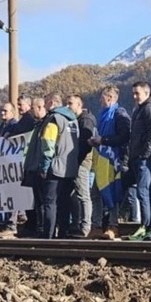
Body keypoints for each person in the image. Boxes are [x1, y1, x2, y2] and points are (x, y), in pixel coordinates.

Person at [23, 93, 80, 239]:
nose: (45, 107)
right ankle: (63, 234)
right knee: (64, 203)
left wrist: (44, 167)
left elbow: (48, 144)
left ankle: (48, 235)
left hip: (54, 169)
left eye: (46, 103)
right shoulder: (73, 120)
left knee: (50, 203)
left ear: (52, 103)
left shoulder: (53, 119)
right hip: (70, 168)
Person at [89, 86, 130, 240]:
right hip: (101, 160)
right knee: (96, 193)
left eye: (102, 97)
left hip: (114, 160)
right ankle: (97, 226)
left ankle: (113, 225)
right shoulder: (102, 115)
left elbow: (124, 137)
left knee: (112, 193)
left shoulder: (119, 114)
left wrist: (104, 140)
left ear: (110, 98)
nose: (100, 100)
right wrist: (96, 142)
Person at [126, 82, 151, 241]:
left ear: (146, 93)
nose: (135, 96)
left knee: (143, 191)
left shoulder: (150, 108)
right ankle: (147, 226)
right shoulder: (139, 110)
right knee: (139, 190)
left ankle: (147, 227)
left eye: (137, 93)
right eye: (133, 93)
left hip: (144, 158)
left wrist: (145, 154)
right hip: (137, 157)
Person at [65, 94, 95, 237]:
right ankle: (75, 225)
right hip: (74, 161)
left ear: (79, 105)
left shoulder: (86, 120)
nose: (68, 106)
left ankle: (85, 227)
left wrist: (76, 159)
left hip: (81, 162)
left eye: (70, 103)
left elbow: (85, 143)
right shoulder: (75, 120)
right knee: (72, 195)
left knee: (83, 195)